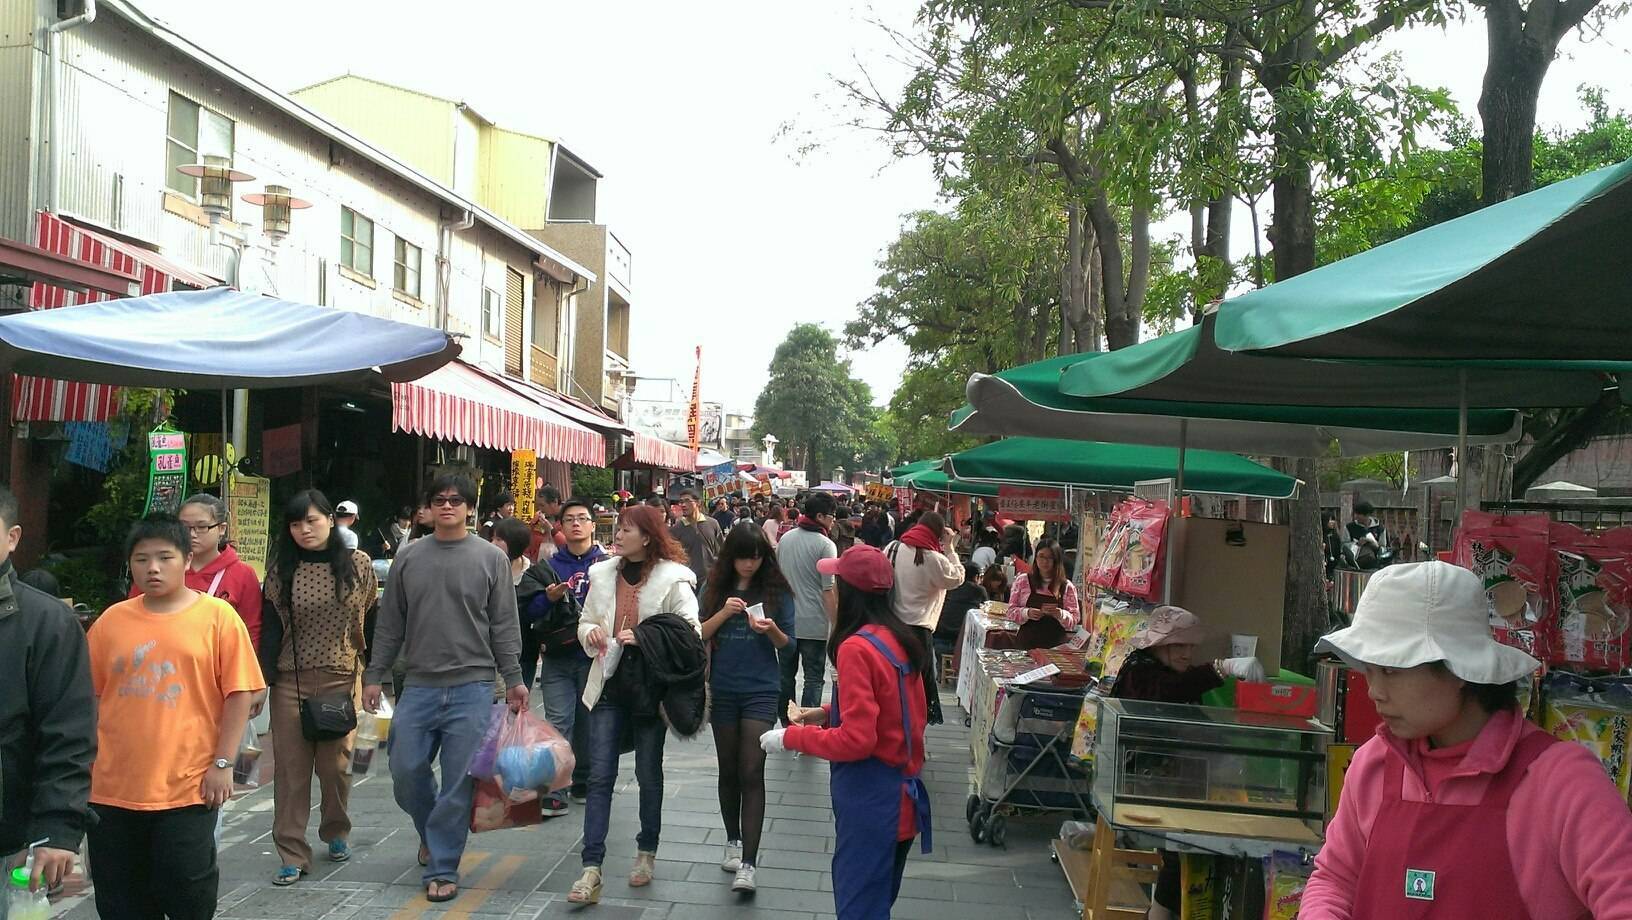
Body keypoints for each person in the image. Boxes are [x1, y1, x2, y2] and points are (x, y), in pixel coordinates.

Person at [1301, 561, 1632, 918]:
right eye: (1369, 669)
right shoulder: (1373, 766)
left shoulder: (1561, 782)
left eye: (1392, 670)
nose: (1374, 692)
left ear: (1459, 668)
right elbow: (1334, 880)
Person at [85, 514, 265, 918]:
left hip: (187, 787)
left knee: (188, 892)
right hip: (112, 788)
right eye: (141, 559)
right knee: (120, 900)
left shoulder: (217, 618)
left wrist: (223, 762)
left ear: (186, 560)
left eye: (165, 557)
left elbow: (239, 693)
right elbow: (89, 697)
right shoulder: (112, 621)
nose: (152, 568)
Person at [363, 474, 526, 904]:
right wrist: (374, 674)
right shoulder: (409, 557)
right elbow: (390, 623)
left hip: (473, 685)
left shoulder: (491, 559)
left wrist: (514, 679)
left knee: (459, 783)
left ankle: (442, 865)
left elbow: (505, 626)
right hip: (418, 685)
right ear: (428, 507)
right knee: (406, 770)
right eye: (440, 500)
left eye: (457, 500)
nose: (448, 506)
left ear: (471, 509)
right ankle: (433, 831)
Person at [761, 544, 932, 919]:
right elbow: (895, 708)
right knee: (876, 902)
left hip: (871, 801)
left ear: (847, 591)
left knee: (858, 908)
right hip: (902, 798)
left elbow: (858, 740)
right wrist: (825, 713)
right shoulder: (898, 637)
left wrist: (790, 737)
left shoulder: (855, 647)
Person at [568, 505, 701, 905]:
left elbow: (689, 632)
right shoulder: (602, 574)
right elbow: (586, 620)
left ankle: (647, 851)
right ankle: (591, 868)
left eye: (626, 530)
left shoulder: (673, 579)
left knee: (648, 773)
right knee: (599, 776)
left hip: (649, 689)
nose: (618, 535)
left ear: (647, 537)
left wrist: (644, 637)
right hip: (608, 685)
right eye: (618, 529)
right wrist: (591, 633)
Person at [1108, 607, 1263, 919]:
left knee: (1187, 850)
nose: (1186, 653)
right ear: (1158, 646)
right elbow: (1168, 694)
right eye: (1179, 645)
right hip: (1144, 782)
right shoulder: (1140, 672)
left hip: (1172, 781)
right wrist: (1222, 667)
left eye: (1190, 646)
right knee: (1182, 850)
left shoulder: (1165, 671)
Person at [261, 490, 377, 886]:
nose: (304, 530)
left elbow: (371, 619)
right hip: (289, 679)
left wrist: (374, 672)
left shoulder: (358, 564)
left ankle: (336, 830)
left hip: (341, 676)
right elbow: (271, 628)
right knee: (291, 771)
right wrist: (262, 680)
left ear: (331, 519)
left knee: (336, 767)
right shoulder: (280, 569)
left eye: (312, 520)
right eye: (296, 523)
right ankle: (291, 852)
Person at [0, 485, 94, 894]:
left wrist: (56, 829)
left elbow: (68, 734)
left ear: (12, 537)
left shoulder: (47, 623)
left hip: (9, 838)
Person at [700, 523, 795, 893]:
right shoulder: (714, 588)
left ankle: (750, 864)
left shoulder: (775, 591)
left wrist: (769, 630)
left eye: (756, 557)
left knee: (752, 769)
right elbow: (696, 633)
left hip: (761, 689)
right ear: (731, 557)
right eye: (743, 557)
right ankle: (733, 841)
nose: (749, 565)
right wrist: (723, 613)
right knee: (729, 770)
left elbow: (789, 648)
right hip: (721, 689)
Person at [541, 498, 606, 806]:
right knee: (557, 721)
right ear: (562, 527)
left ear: (593, 525)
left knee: (588, 721)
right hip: (558, 656)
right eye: (569, 520)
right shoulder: (550, 566)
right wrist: (548, 600)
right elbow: (531, 610)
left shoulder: (609, 565)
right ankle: (555, 789)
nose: (576, 524)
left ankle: (583, 779)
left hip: (594, 657)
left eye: (582, 518)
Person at [141, 492, 264, 647]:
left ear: (221, 528)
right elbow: (136, 611)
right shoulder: (159, 567)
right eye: (184, 527)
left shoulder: (242, 573)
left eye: (202, 527)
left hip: (219, 663)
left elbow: (251, 630)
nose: (192, 534)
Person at [884, 512, 964, 726]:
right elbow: (957, 578)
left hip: (890, 626)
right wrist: (950, 547)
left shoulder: (893, 548)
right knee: (918, 682)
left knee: (892, 677)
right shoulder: (935, 559)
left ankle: (894, 718)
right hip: (919, 631)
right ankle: (914, 724)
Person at [776, 492, 840, 726]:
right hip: (814, 623)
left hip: (785, 622)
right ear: (820, 516)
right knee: (813, 678)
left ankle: (786, 721)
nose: (834, 520)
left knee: (785, 675)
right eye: (832, 516)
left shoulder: (786, 539)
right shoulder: (826, 545)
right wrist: (836, 624)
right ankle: (808, 725)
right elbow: (828, 589)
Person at [1000, 539, 1081, 650]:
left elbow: (1075, 619)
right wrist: (1026, 613)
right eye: (1041, 556)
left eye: (1049, 558)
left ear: (1056, 560)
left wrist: (1061, 614)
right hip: (1026, 644)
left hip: (1055, 647)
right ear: (1036, 558)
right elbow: (1010, 612)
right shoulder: (1022, 581)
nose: (1044, 561)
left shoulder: (1067, 586)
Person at [670, 488, 724, 590]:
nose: (683, 505)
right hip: (687, 581)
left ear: (698, 503)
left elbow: (721, 551)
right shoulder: (676, 529)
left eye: (687, 501)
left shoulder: (713, 524)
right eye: (681, 502)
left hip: (710, 580)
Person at [934, 566, 986, 662]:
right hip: (963, 645)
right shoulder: (979, 590)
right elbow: (985, 611)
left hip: (939, 639)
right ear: (976, 577)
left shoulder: (950, 587)